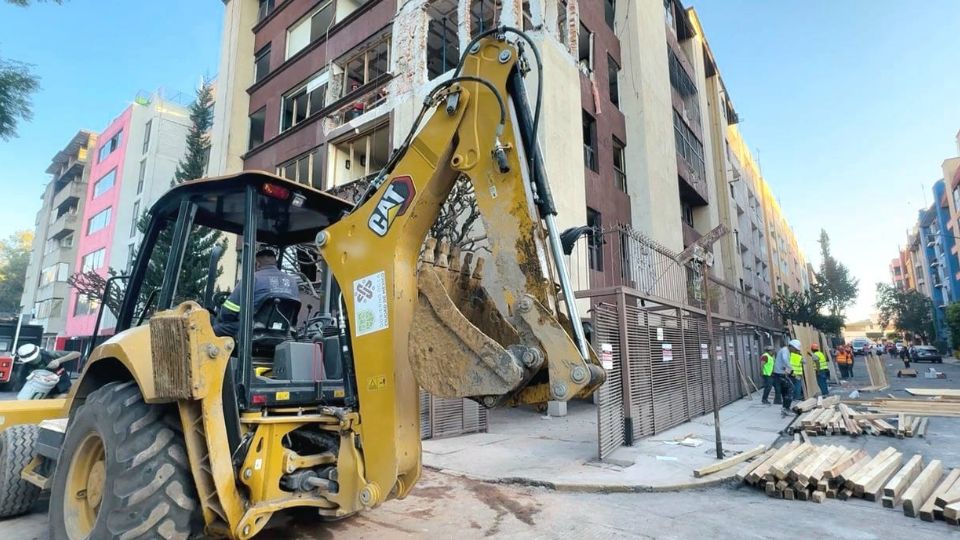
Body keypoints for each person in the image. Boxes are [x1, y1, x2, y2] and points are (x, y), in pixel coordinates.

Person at [213, 247, 301, 338]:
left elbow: (228, 312)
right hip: (284, 331)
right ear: (276, 264)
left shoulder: (251, 279)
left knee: (213, 331)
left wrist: (222, 317)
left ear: (257, 264)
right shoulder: (292, 282)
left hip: (253, 330)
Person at [15, 343, 80, 396]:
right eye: (30, 360)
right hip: (46, 392)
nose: (32, 361)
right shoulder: (24, 369)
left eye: (33, 359)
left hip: (64, 385)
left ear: (38, 353)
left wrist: (58, 361)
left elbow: (77, 353)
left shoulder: (50, 354)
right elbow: (22, 386)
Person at [773, 339, 800, 416]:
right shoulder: (785, 351)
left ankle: (785, 408)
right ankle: (786, 408)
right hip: (780, 375)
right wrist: (791, 369)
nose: (795, 351)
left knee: (786, 391)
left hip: (782, 374)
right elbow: (785, 360)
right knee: (790, 389)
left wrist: (790, 371)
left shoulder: (786, 351)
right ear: (791, 346)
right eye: (795, 349)